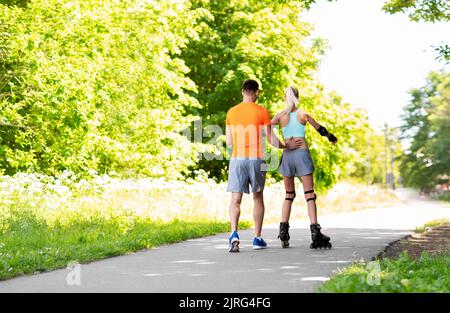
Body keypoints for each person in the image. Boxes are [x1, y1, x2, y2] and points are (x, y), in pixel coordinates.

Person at [225, 79, 302, 253]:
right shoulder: (262, 111)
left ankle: (234, 234)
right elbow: (271, 139)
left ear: (243, 91)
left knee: (235, 200)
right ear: (256, 92)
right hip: (256, 159)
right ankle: (257, 238)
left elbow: (229, 141)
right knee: (257, 198)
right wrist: (285, 146)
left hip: (237, 159)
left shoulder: (231, 112)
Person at [271, 86, 337, 249]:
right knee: (309, 195)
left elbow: (264, 128)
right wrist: (331, 137)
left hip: (287, 155)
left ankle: (284, 232)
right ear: (297, 97)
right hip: (301, 154)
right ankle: (315, 233)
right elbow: (320, 129)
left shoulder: (280, 115)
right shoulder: (303, 114)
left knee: (289, 195)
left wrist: (281, 144)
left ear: (285, 98)